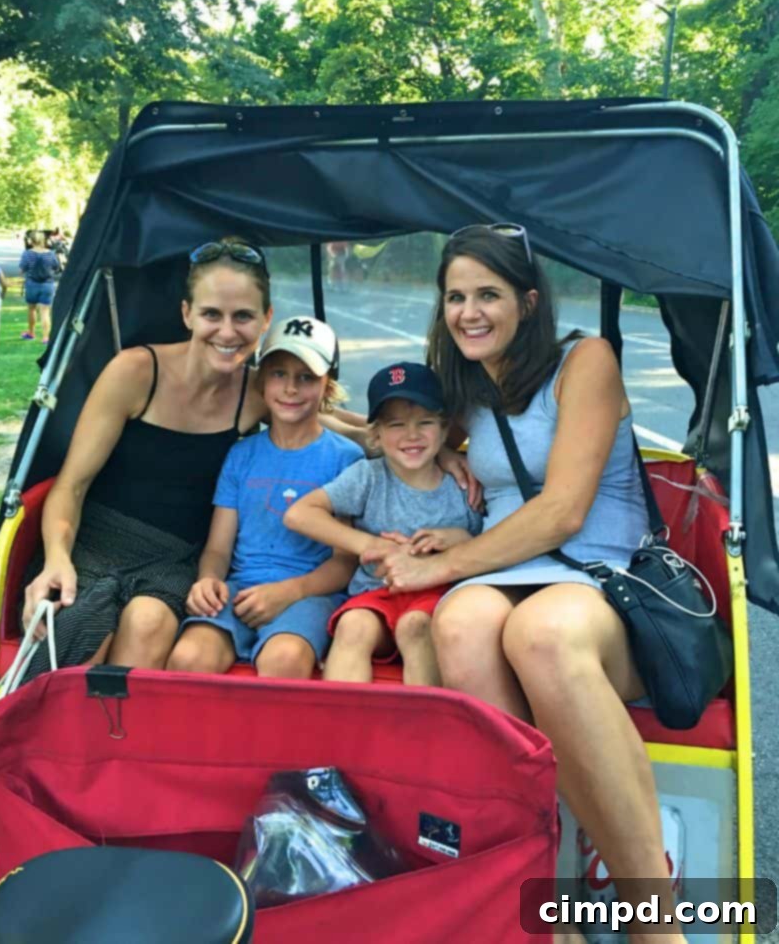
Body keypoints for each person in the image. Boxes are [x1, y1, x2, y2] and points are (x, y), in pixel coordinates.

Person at [369, 224, 684, 941]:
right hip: (511, 566)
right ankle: (543, 901)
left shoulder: (585, 361)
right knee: (460, 626)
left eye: (488, 294)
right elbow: (395, 428)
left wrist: (444, 564)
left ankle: (656, 921)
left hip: (599, 572)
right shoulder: (468, 383)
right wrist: (443, 461)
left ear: (529, 301)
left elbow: (563, 510)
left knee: (540, 634)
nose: (469, 312)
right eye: (456, 297)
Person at [21, 238, 275, 680]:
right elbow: (71, 486)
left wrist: (402, 433)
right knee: (83, 624)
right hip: (94, 543)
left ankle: (119, 726)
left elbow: (335, 423)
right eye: (211, 314)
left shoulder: (256, 393)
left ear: (266, 319)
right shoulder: (135, 371)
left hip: (174, 560)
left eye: (243, 316)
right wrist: (56, 559)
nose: (227, 332)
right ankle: (61, 718)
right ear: (187, 314)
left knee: (149, 622)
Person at [167, 315, 363, 678]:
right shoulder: (241, 454)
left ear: (328, 385)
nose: (290, 389)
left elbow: (344, 561)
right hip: (241, 587)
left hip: (310, 592)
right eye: (278, 374)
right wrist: (208, 580)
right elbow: (218, 549)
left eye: (306, 377)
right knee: (189, 658)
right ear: (260, 379)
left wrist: (289, 591)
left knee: (283, 660)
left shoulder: (345, 459)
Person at [285, 362, 482, 687]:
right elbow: (299, 513)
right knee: (353, 626)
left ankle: (422, 718)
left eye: (425, 422)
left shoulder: (464, 482)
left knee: (415, 626)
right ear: (375, 435)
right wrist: (371, 545)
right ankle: (343, 718)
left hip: (437, 594)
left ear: (445, 429)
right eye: (396, 424)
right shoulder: (368, 477)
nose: (412, 435)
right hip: (376, 592)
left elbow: (489, 546)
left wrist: (460, 538)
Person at [19, 230, 60, 342]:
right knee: (45, 311)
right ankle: (46, 337)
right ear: (44, 240)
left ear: (31, 241)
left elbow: (22, 269)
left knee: (31, 309)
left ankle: (31, 333)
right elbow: (56, 267)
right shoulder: (51, 254)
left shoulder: (27, 254)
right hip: (47, 284)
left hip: (32, 284)